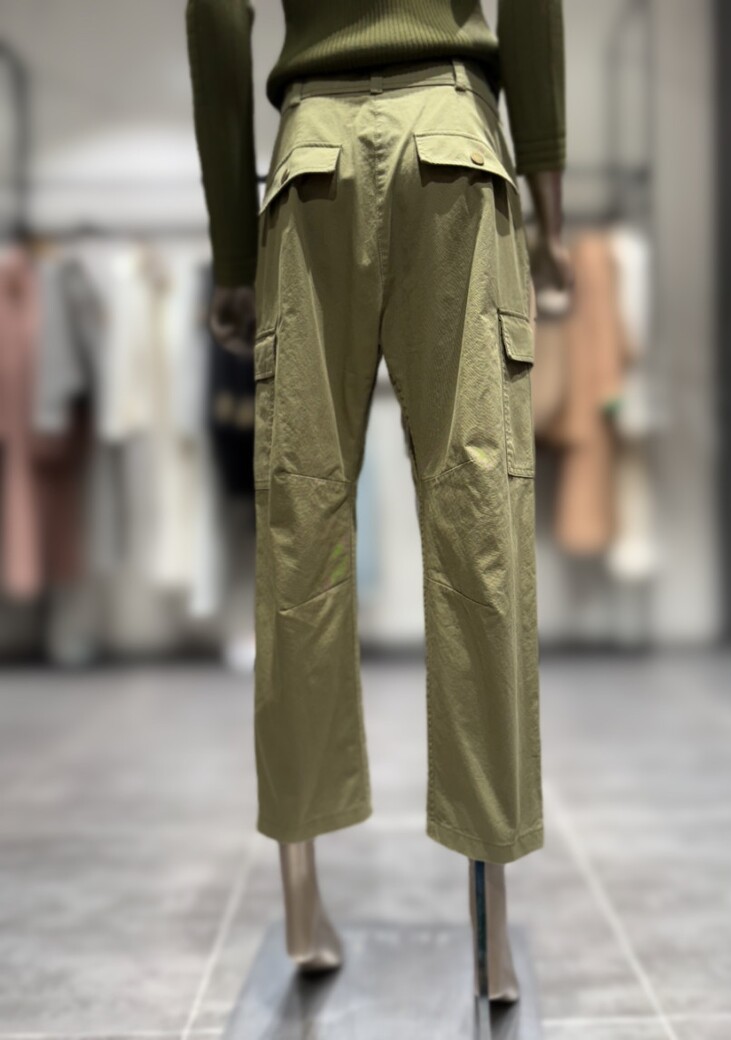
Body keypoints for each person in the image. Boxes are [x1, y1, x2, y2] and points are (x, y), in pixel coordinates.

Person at [186, 0, 572, 1000]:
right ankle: (491, 928)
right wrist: (550, 206)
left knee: (300, 525)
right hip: (455, 146)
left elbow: (216, 17)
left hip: (311, 157)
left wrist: (232, 248)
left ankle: (302, 903)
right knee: (480, 523)